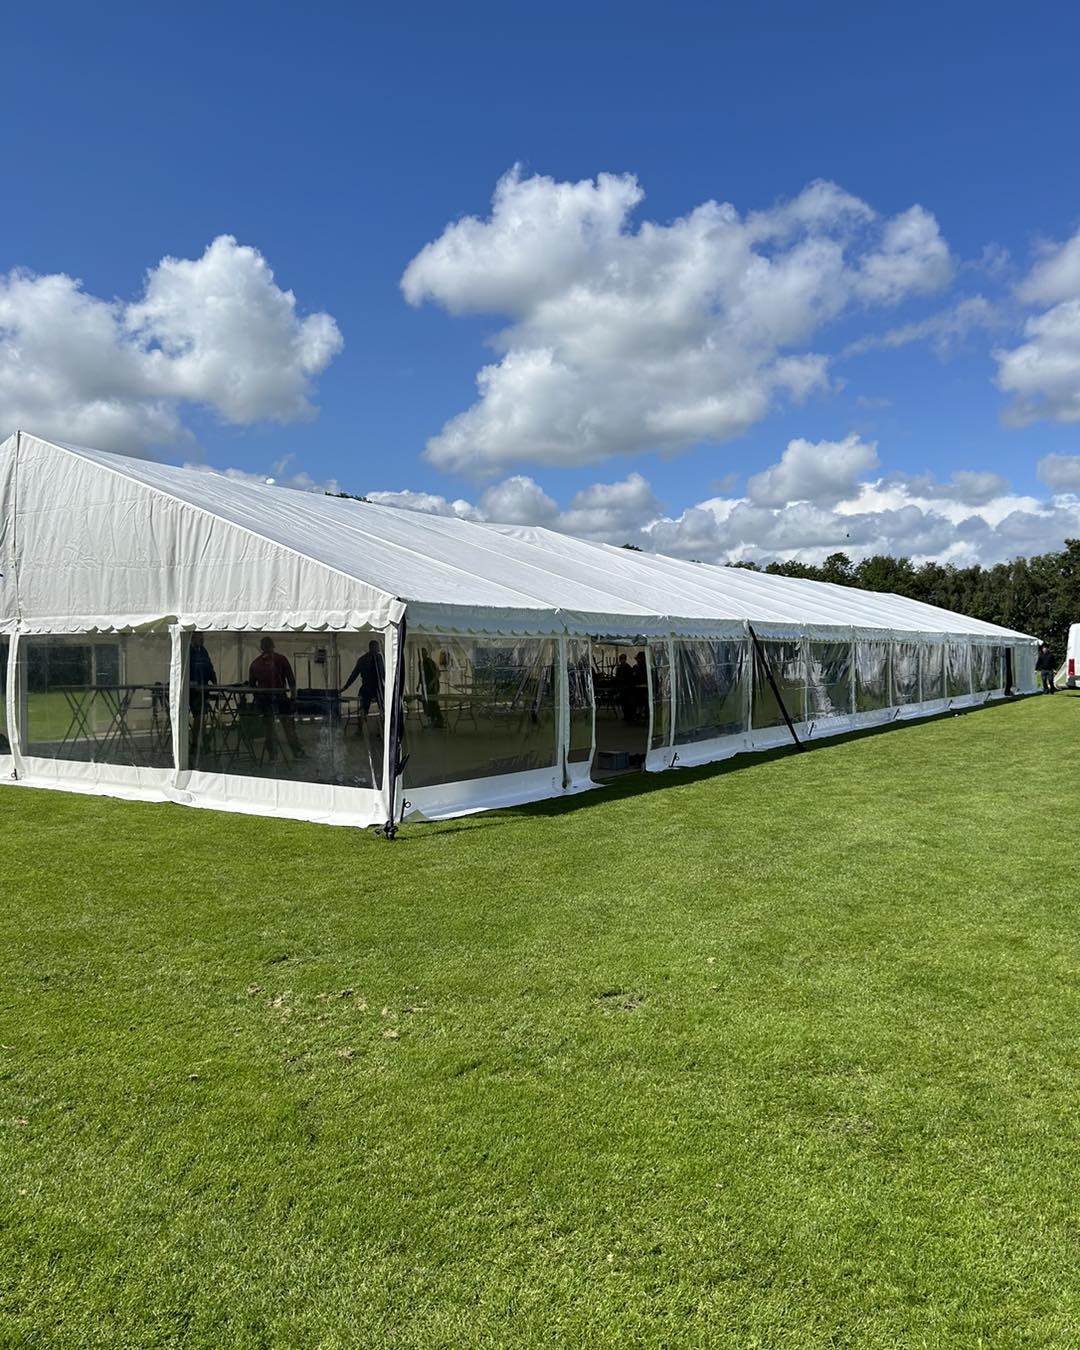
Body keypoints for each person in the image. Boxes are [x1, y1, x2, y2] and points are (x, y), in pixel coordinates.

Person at [249, 636, 305, 758]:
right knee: (288, 727)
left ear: (261, 647)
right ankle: (297, 752)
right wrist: (294, 697)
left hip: (265, 700)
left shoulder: (255, 663)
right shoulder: (281, 659)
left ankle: (272, 755)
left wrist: (258, 698)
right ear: (273, 646)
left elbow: (252, 686)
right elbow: (290, 679)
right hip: (280, 698)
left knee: (269, 729)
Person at [341, 640, 385, 724]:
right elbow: (382, 674)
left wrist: (346, 687)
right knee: (379, 708)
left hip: (370, 687)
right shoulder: (374, 658)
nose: (378, 649)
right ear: (373, 647)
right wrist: (345, 687)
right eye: (377, 647)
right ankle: (366, 727)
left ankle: (362, 727)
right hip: (374, 688)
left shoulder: (364, 659)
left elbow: (354, 674)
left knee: (366, 709)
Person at [188, 632, 217, 756]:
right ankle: (196, 743)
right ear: (193, 638)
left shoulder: (203, 651)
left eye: (203, 638)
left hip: (203, 688)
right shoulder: (188, 651)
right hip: (191, 691)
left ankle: (201, 742)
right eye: (200, 638)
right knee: (199, 716)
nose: (202, 640)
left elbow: (209, 666)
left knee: (201, 716)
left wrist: (213, 680)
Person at [419, 646, 443, 727]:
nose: (423, 656)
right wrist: (419, 684)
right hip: (425, 686)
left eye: (424, 654)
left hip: (433, 685)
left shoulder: (430, 662)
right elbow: (421, 674)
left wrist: (432, 683)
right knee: (427, 703)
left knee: (433, 703)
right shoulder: (420, 663)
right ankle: (432, 719)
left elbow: (437, 674)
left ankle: (439, 720)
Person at [614, 653, 637, 722]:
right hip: (622, 687)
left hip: (627, 687)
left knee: (627, 703)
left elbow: (630, 678)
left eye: (623, 659)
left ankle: (629, 716)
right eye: (621, 659)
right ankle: (626, 715)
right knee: (623, 703)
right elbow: (617, 676)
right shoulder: (619, 667)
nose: (622, 660)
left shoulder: (628, 667)